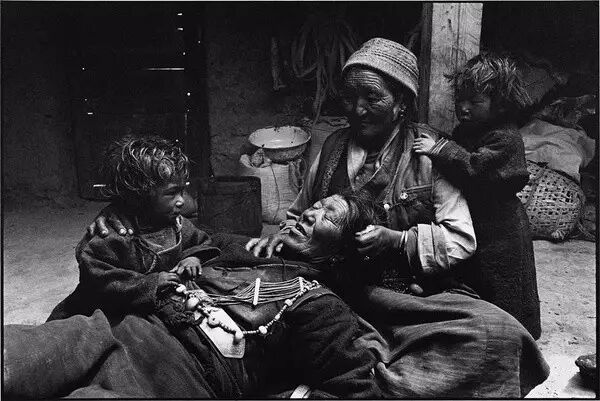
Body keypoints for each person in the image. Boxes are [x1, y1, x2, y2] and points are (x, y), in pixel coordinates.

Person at [4, 189, 549, 399]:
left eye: (329, 215)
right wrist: (119, 221)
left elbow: (359, 383)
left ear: (343, 250)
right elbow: (169, 236)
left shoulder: (319, 303)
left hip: (182, 372)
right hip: (119, 327)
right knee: (15, 355)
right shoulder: (239, 247)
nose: (310, 212)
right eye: (315, 205)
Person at [412, 52, 541, 339]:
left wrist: (440, 149)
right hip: (478, 219)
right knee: (477, 278)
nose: (463, 108)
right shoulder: (470, 129)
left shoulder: (506, 138)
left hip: (501, 228)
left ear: (500, 104)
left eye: (474, 102)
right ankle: (482, 330)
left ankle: (515, 335)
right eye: (460, 99)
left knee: (504, 284)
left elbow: (475, 168)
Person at [48, 135, 221, 320]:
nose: (181, 201)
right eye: (171, 193)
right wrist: (150, 283)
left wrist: (193, 257)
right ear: (140, 195)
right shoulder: (114, 235)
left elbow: (199, 241)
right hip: (114, 306)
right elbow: (98, 278)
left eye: (182, 191)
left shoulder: (174, 222)